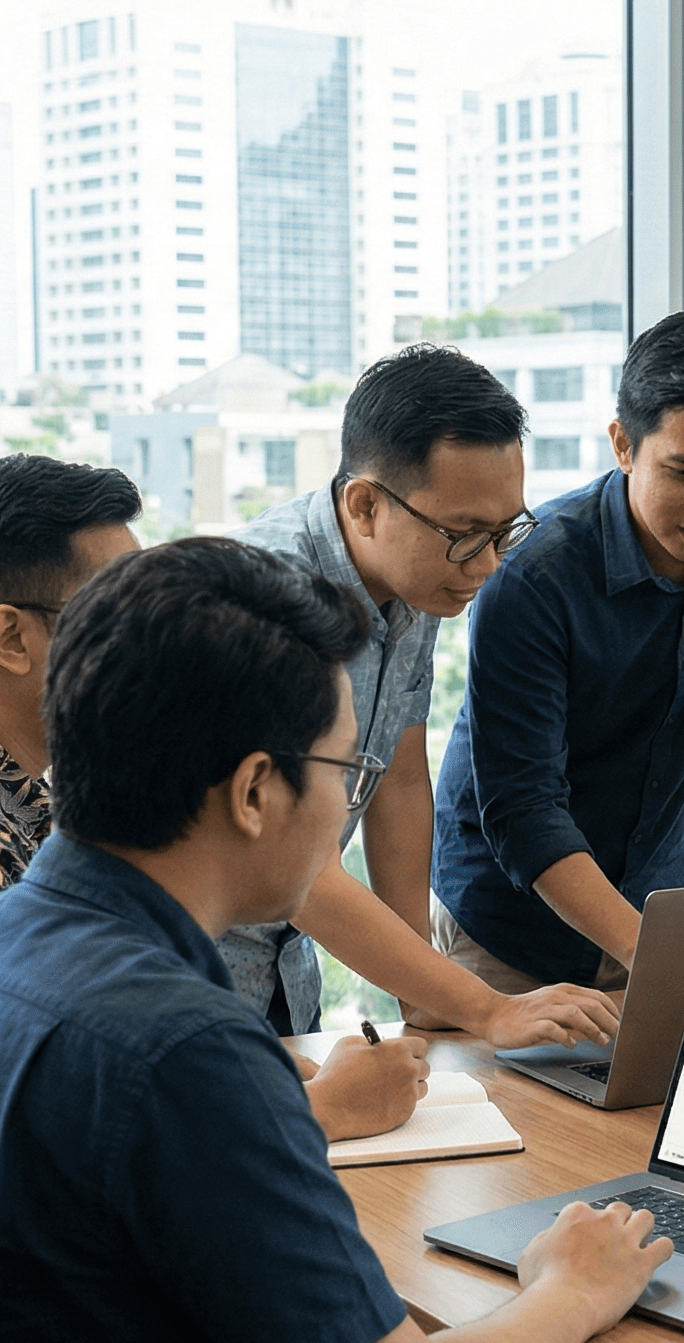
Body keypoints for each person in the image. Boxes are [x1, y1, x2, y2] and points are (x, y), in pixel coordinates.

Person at [0, 538, 675, 1343]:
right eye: (346, 769)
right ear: (256, 790)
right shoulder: (184, 1050)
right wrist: (568, 1288)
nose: (345, 806)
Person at [0, 455, 419, 1148]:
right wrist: (325, 1110)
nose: (153, 638)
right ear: (10, 637)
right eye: (113, 610)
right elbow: (43, 1129)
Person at [227, 344, 619, 1052]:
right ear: (366, 503)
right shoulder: (267, 599)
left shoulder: (418, 582)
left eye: (505, 532)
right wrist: (485, 1008)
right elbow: (292, 859)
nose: (491, 564)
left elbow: (400, 781)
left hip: (281, 976)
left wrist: (421, 988)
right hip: (185, 973)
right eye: (466, 535)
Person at [431, 305, 684, 993]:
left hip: (662, 903)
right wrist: (657, 955)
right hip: (510, 929)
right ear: (624, 445)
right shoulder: (532, 574)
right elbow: (525, 809)